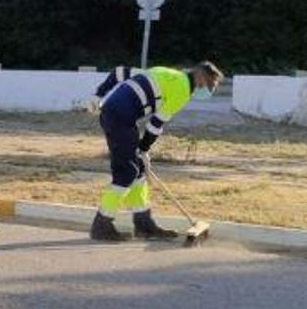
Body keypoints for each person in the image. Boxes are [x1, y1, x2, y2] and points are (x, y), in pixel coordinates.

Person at [90, 60, 224, 242]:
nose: (209, 90)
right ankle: (102, 225)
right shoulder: (183, 89)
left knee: (138, 171)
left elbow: (119, 72)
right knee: (127, 172)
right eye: (210, 84)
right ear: (200, 76)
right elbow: (155, 124)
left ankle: (144, 224)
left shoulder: (165, 72)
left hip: (117, 116)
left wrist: (99, 94)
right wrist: (144, 148)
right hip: (120, 118)